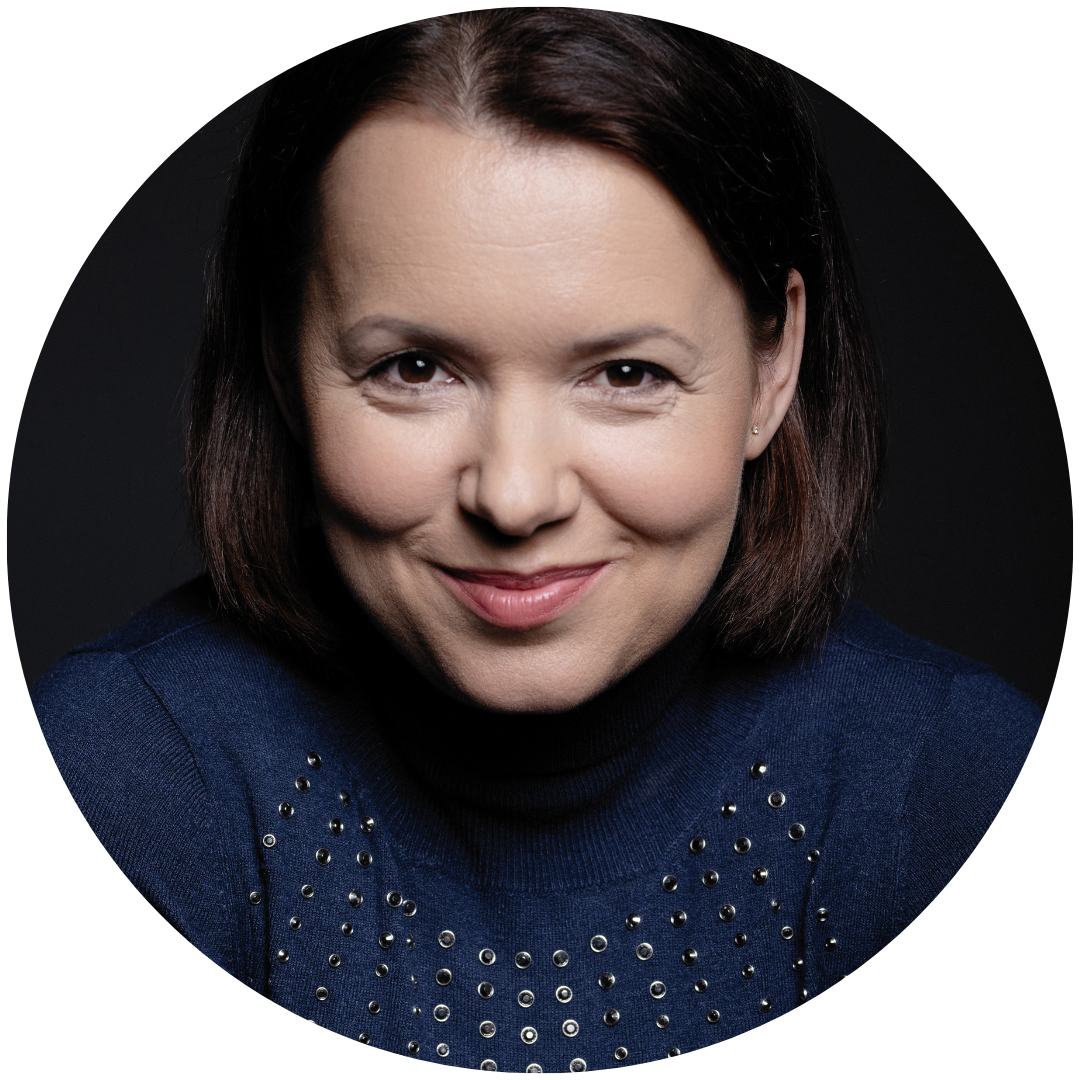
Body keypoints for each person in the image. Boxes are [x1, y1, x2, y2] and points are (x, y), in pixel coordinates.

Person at [30, 10, 1041, 1068]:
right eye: (414, 368)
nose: (514, 500)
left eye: (626, 374)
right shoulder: (126, 779)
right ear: (285, 364)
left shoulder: (954, 788)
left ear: (773, 363)